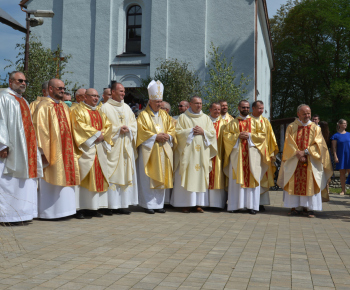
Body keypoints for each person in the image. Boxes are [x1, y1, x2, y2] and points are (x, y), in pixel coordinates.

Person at [32, 78, 80, 219]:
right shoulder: (43, 106)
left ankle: (66, 211)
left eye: (64, 88)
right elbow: (39, 130)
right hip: (51, 151)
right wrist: (41, 152)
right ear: (50, 89)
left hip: (67, 151)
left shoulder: (65, 107)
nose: (63, 91)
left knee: (66, 179)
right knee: (52, 177)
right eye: (59, 88)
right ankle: (50, 213)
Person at [0, 71, 43, 223]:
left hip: (26, 149)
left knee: (24, 182)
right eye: (20, 80)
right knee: (8, 182)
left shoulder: (23, 101)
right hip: (10, 150)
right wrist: (1, 145)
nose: (23, 83)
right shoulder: (3, 97)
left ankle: (23, 214)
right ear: (10, 81)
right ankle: (6, 216)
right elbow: (1, 121)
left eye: (25, 81)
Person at [277, 105, 333, 217]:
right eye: (304, 114)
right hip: (294, 160)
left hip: (311, 160)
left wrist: (305, 152)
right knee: (294, 181)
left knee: (311, 182)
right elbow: (289, 143)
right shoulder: (291, 127)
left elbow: (319, 144)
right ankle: (295, 207)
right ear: (298, 114)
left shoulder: (316, 128)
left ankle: (309, 208)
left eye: (309, 113)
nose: (307, 116)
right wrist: (298, 153)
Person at [71, 88, 113, 219]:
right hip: (86, 150)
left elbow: (108, 126)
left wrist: (102, 135)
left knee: (98, 176)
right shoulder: (77, 110)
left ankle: (93, 208)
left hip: (99, 149)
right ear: (85, 97)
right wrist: (96, 134)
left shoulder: (100, 112)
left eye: (97, 96)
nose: (96, 98)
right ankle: (80, 208)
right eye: (92, 96)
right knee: (84, 176)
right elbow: (78, 126)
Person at [171, 96, 217, 213]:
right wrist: (191, 131)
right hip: (188, 154)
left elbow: (212, 134)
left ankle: (198, 204)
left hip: (202, 154)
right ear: (190, 104)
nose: (199, 105)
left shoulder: (206, 118)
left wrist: (203, 132)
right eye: (196, 103)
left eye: (201, 103)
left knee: (200, 176)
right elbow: (178, 133)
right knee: (187, 175)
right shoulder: (183, 118)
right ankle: (185, 204)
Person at [136, 80, 176, 214]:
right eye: (157, 101)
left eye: (160, 101)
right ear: (150, 101)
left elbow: (172, 128)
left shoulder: (165, 115)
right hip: (149, 150)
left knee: (162, 176)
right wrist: (155, 137)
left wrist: (168, 136)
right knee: (148, 177)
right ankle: (148, 204)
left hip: (163, 149)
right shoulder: (143, 115)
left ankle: (159, 204)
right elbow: (141, 131)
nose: (159, 104)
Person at [223, 100, 267, 215]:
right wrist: (237, 136)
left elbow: (263, 136)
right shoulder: (232, 123)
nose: (246, 109)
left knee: (252, 177)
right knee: (236, 180)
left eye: (247, 107)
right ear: (238, 108)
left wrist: (250, 136)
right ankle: (234, 206)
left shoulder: (256, 122)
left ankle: (252, 206)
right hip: (237, 156)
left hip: (252, 156)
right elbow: (226, 137)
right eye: (243, 107)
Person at [100, 82, 138, 215]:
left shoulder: (127, 107)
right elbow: (102, 128)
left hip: (126, 146)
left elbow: (134, 124)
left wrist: (130, 129)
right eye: (120, 91)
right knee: (112, 174)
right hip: (113, 147)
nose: (123, 94)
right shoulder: (105, 108)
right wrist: (117, 130)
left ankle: (122, 204)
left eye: (124, 92)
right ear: (113, 92)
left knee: (124, 174)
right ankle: (110, 205)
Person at [251, 100, 279, 211]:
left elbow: (271, 138)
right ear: (253, 108)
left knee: (263, 177)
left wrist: (271, 152)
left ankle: (261, 202)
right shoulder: (248, 121)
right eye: (259, 108)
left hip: (264, 155)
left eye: (262, 108)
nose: (261, 110)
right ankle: (251, 202)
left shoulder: (265, 121)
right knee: (253, 177)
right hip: (251, 154)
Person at [208, 102, 227, 209]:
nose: (217, 111)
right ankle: (205, 203)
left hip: (219, 155)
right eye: (215, 109)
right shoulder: (204, 121)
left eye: (219, 110)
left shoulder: (224, 123)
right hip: (206, 154)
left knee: (218, 176)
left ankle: (218, 204)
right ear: (210, 110)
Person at [331, 119, 350, 195]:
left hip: (349, 156)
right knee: (342, 173)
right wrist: (335, 157)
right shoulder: (335, 136)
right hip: (341, 156)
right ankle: (343, 190)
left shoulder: (349, 134)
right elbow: (334, 148)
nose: (345, 125)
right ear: (339, 124)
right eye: (344, 123)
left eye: (346, 123)